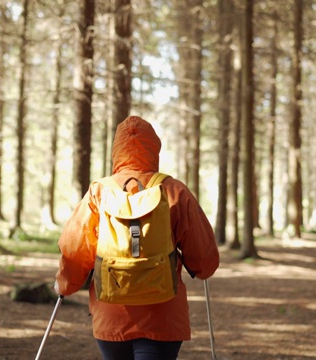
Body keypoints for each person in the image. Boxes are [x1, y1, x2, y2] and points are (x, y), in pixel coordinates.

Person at [54, 115, 220, 360]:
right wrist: (201, 268)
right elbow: (205, 260)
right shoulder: (174, 190)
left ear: (116, 151)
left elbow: (75, 250)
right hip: (164, 317)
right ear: (155, 149)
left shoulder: (99, 192)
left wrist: (63, 284)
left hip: (111, 315)